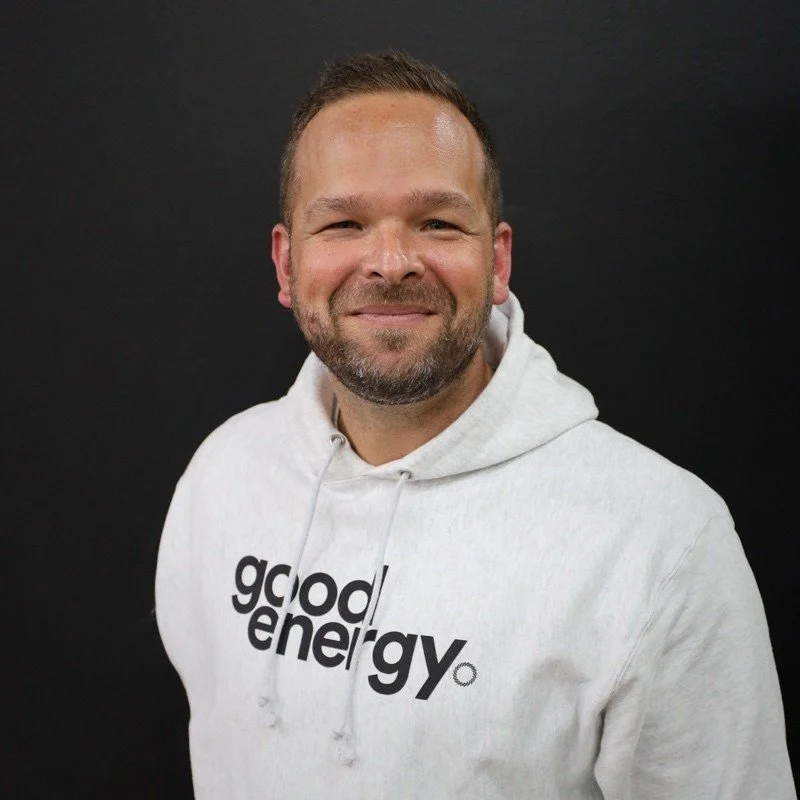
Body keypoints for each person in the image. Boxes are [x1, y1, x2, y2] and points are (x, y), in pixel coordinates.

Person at [155, 50, 795, 799]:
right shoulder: (224, 475)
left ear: (497, 261)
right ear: (286, 264)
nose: (390, 262)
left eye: (436, 221)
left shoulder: (663, 542)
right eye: (344, 223)